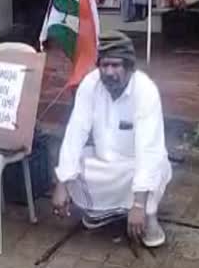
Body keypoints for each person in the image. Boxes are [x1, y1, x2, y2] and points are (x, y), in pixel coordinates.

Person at [52, 31, 172, 247]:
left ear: (129, 67)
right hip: (104, 162)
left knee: (158, 164)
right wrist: (62, 183)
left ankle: (147, 215)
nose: (108, 72)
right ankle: (101, 211)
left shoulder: (145, 90)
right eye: (104, 65)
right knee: (74, 163)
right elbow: (75, 132)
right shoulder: (90, 84)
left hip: (134, 165)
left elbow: (149, 149)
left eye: (115, 65)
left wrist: (138, 205)